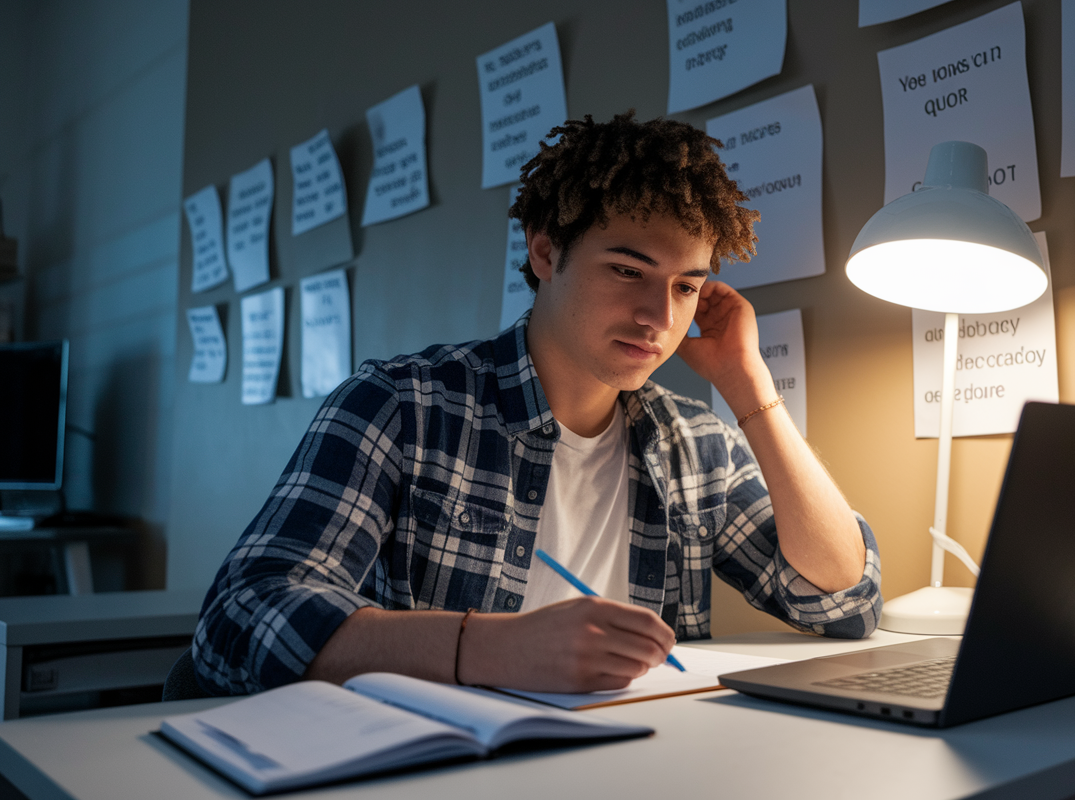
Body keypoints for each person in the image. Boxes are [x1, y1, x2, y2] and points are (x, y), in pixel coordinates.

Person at [193, 112, 881, 696]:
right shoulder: (404, 405)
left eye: (685, 288)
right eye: (626, 270)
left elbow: (842, 600)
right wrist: (489, 649)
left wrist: (749, 385)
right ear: (546, 252)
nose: (657, 317)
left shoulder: (696, 445)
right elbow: (242, 614)